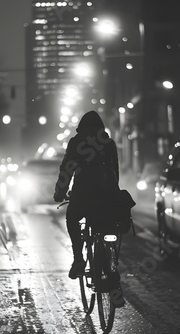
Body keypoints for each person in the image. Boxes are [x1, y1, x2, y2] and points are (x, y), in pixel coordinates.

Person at [53, 110, 120, 278]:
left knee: (72, 218)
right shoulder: (109, 143)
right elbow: (115, 171)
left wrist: (60, 192)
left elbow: (66, 169)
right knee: (110, 224)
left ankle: (79, 259)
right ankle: (112, 261)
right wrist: (113, 191)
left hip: (83, 195)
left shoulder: (76, 143)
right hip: (107, 197)